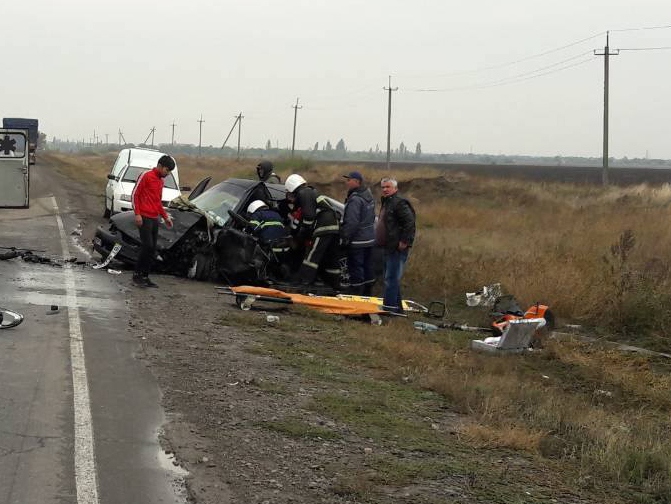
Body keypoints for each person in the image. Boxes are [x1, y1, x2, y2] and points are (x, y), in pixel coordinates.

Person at [284, 173, 341, 289]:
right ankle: (334, 283)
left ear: (292, 187)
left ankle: (304, 281)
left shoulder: (304, 193)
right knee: (331, 257)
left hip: (323, 225)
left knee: (313, 254)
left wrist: (303, 233)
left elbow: (309, 217)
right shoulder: (311, 192)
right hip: (333, 225)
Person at [131, 155, 175, 287]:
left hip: (154, 217)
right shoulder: (146, 175)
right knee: (147, 246)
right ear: (160, 166)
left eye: (169, 172)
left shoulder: (160, 181)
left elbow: (157, 202)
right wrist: (137, 214)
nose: (167, 174)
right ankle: (136, 275)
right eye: (167, 170)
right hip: (144, 216)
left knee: (152, 248)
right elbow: (135, 195)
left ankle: (145, 276)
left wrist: (165, 216)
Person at [377, 177, 416, 313]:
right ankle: (397, 309)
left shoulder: (399, 203)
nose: (385, 190)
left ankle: (388, 310)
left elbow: (409, 223)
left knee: (391, 279)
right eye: (383, 187)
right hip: (387, 246)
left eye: (388, 187)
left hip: (396, 248)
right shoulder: (387, 202)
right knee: (391, 279)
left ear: (395, 188)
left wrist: (404, 242)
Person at [340, 171, 376, 295]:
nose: (347, 182)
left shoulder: (355, 199)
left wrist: (345, 238)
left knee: (356, 268)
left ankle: (356, 294)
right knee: (367, 267)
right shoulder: (368, 195)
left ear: (357, 182)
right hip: (369, 239)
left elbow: (352, 222)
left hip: (357, 241)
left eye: (349, 180)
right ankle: (367, 293)